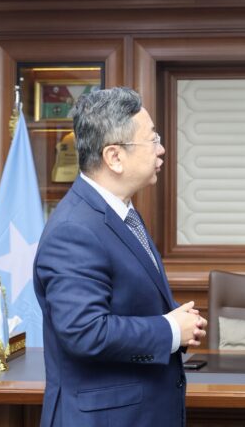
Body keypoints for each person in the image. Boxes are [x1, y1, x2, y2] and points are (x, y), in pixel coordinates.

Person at [34, 87, 206, 427]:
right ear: (114, 157)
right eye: (153, 139)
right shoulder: (74, 229)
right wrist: (170, 329)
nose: (161, 149)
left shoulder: (120, 212)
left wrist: (176, 322)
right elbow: (85, 331)